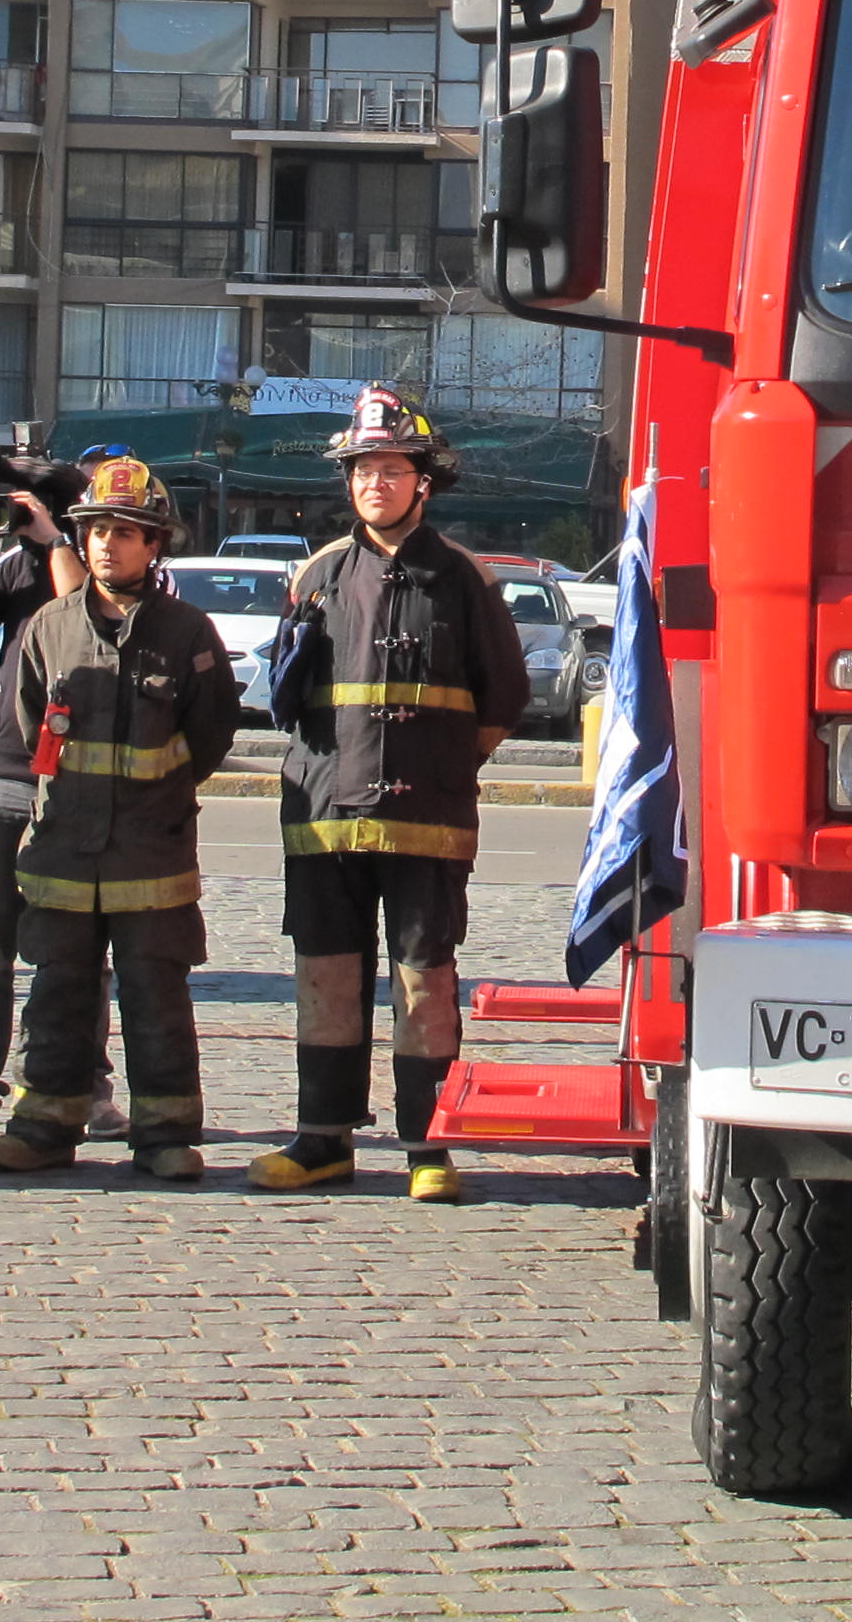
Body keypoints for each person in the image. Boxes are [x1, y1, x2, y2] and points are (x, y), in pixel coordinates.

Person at [251, 386, 531, 1202]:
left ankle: (427, 1147)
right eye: (363, 470)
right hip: (324, 818)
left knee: (424, 982)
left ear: (423, 483)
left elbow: (504, 699)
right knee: (326, 978)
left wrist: (440, 763)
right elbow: (288, 690)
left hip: (426, 820)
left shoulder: (464, 580)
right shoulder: (318, 576)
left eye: (392, 470)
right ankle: (322, 1141)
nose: (375, 483)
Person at [0, 458, 244, 1181]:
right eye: (97, 531)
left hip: (151, 853)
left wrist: (155, 791)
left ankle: (165, 1135)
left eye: (126, 533)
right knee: (57, 993)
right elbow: (31, 724)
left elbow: (211, 735)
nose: (108, 544)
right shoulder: (50, 626)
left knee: (158, 997)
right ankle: (43, 1126)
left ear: (155, 544)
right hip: (64, 850)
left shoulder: (187, 632)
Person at [0, 441, 126, 1152]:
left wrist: (52, 542)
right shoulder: (13, 567)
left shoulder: (102, 570)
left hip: (71, 779)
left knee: (78, 950)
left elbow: (85, 614)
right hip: (0, 770)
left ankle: (86, 1085)